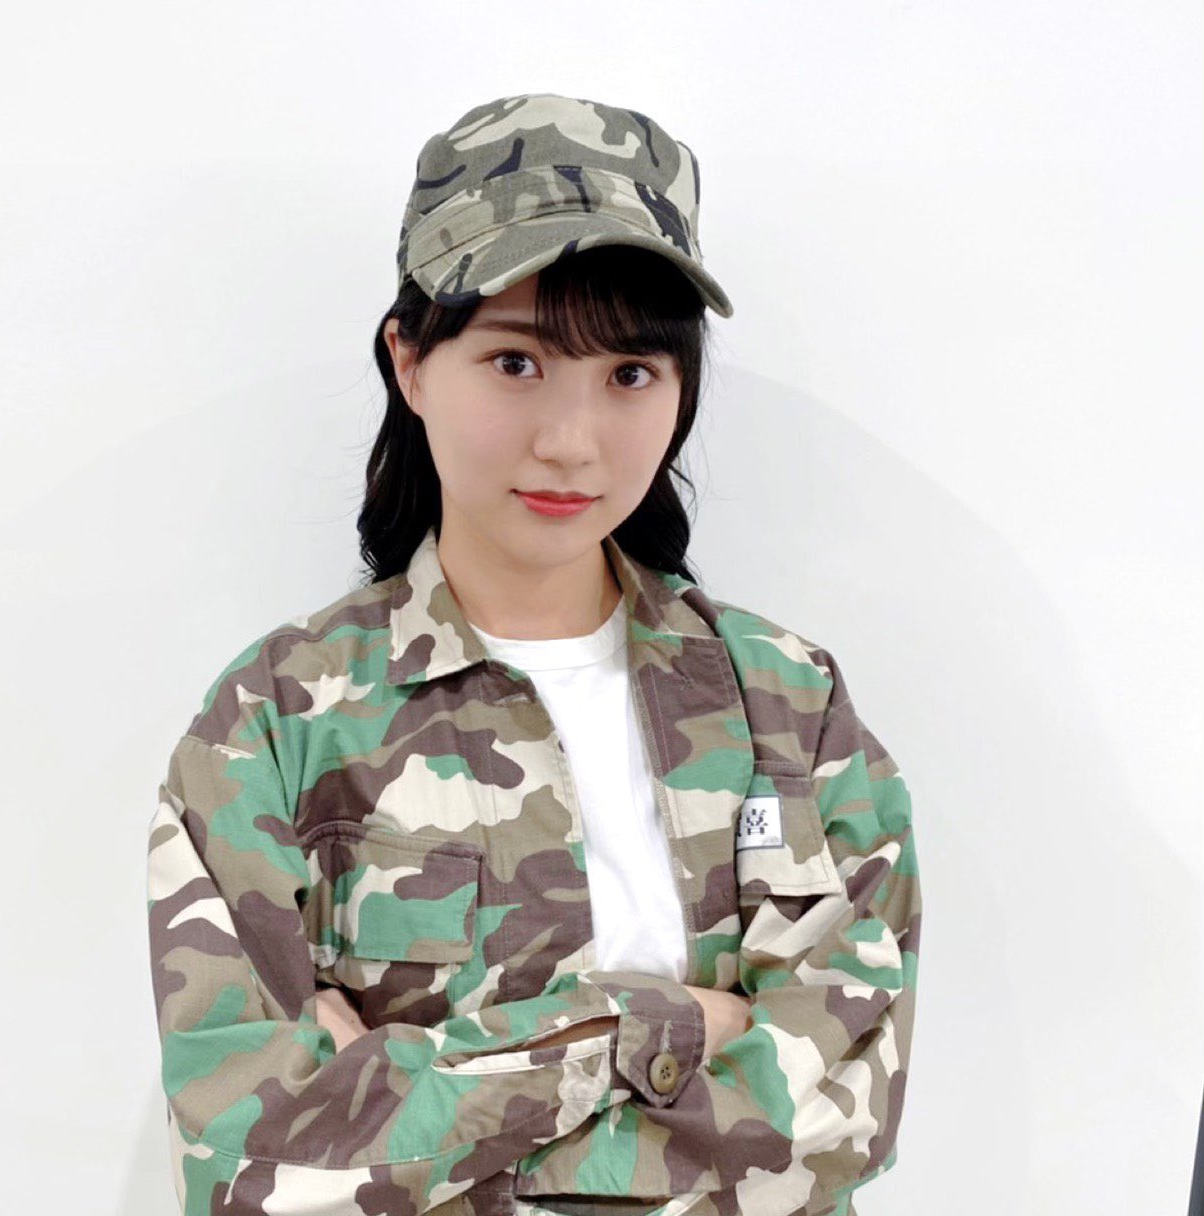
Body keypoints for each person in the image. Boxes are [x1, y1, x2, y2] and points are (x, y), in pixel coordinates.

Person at [145, 92, 922, 1216]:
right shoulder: (277, 721)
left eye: (630, 374)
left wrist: (418, 1100)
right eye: (516, 362)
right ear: (410, 362)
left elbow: (842, 1116)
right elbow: (256, 1165)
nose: (570, 441)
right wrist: (664, 1025)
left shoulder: (788, 705)